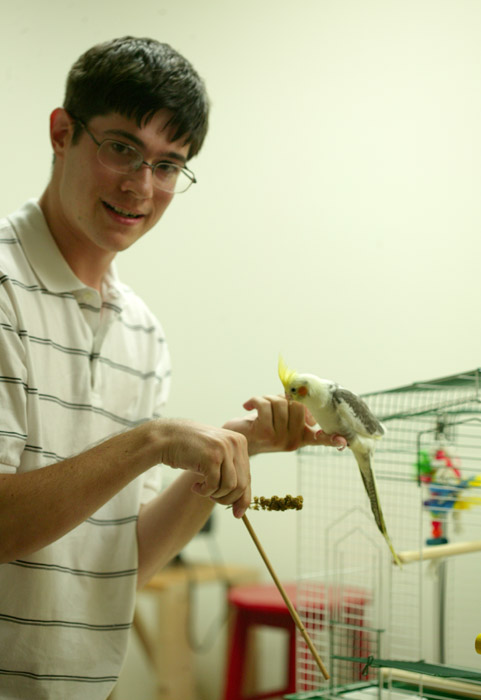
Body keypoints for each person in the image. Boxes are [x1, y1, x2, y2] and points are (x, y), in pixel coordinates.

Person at [0, 36, 345, 699]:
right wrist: (152, 442)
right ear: (62, 132)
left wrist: (230, 449)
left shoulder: (142, 334)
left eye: (167, 164)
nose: (141, 186)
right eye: (121, 148)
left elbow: (119, 564)